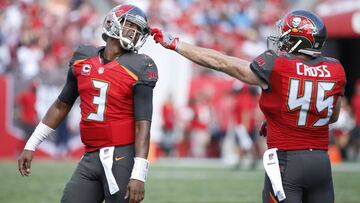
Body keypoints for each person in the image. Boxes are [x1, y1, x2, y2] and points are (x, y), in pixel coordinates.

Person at [151, 9, 346, 203]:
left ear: (299, 39)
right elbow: (332, 116)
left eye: (286, 35)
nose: (282, 39)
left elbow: (222, 62)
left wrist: (177, 44)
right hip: (321, 163)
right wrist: (281, 118)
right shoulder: (335, 68)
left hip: (287, 162)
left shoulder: (277, 64)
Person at [18, 4, 158, 203]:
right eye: (130, 26)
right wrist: (32, 144)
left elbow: (143, 124)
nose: (134, 34)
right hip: (91, 155)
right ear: (112, 22)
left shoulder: (141, 66)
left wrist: (139, 173)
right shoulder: (83, 58)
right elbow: (61, 105)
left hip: (122, 157)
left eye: (138, 31)